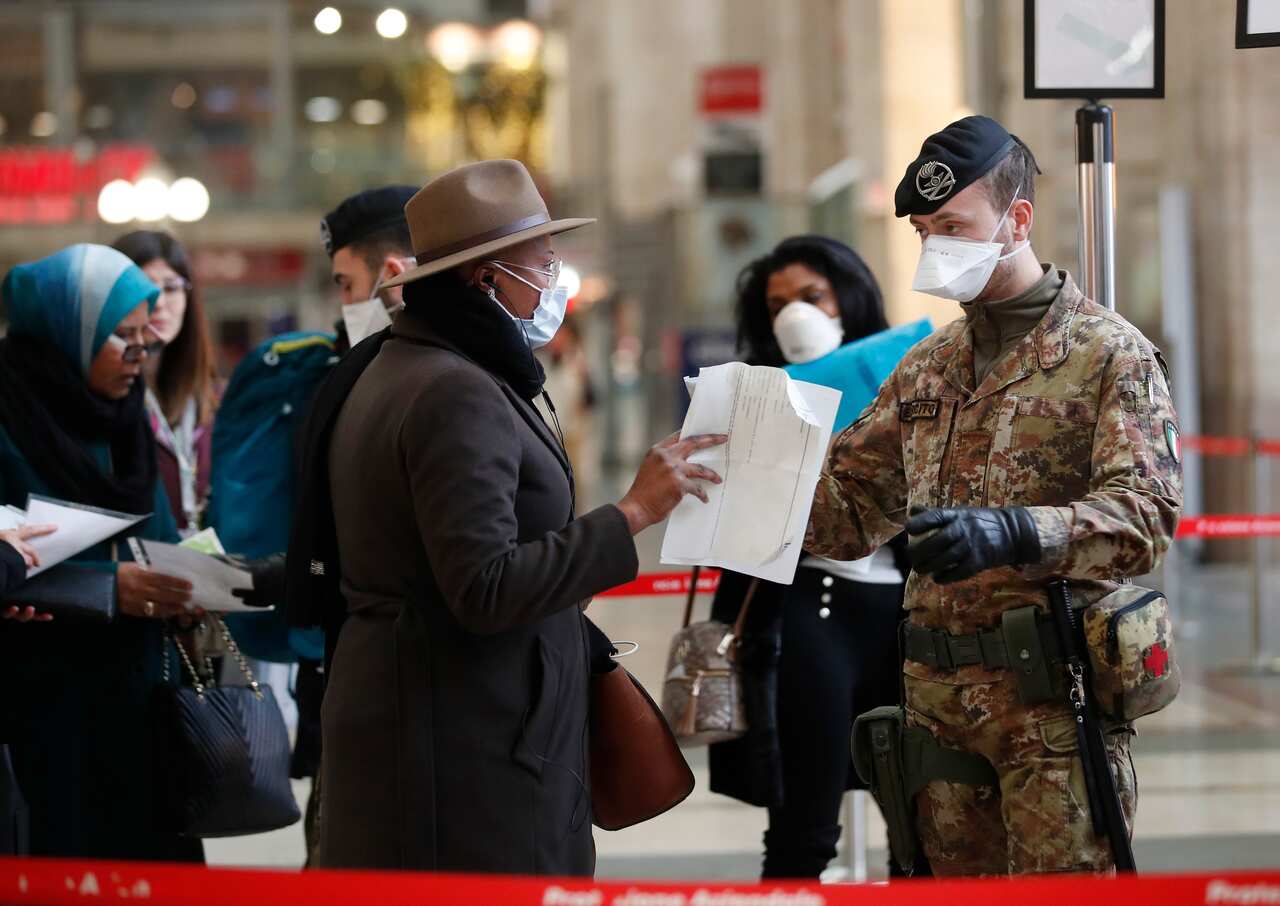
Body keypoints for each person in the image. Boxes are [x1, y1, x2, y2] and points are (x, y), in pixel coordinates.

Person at [296, 159, 724, 874]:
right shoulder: (451, 392)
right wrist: (633, 512)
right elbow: (484, 585)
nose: (554, 277)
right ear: (487, 275)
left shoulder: (415, 366)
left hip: (442, 725)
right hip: (462, 749)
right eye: (544, 261)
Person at [805, 115, 1182, 875]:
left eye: (952, 226)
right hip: (937, 712)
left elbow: (1147, 516)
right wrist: (738, 483)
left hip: (1051, 710)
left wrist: (1018, 533)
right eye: (921, 230)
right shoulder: (929, 366)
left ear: (1017, 220)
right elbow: (849, 513)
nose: (933, 248)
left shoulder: (1107, 355)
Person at [707, 235, 918, 880]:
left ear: (846, 299)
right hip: (811, 613)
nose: (793, 314)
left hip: (911, 618)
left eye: (811, 297)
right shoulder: (754, 397)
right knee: (804, 830)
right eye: (777, 304)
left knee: (928, 831)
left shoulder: (910, 375)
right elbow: (732, 538)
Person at [0, 244, 201, 862]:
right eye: (122, 338)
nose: (141, 356)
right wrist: (107, 586)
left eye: (147, 338)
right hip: (41, 702)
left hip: (137, 694)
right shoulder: (10, 413)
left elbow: (155, 529)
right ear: (67, 332)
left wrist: (189, 585)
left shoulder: (125, 414)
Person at [112, 230, 219, 535]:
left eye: (171, 287)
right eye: (144, 287)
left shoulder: (214, 399)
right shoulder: (101, 399)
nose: (159, 302)